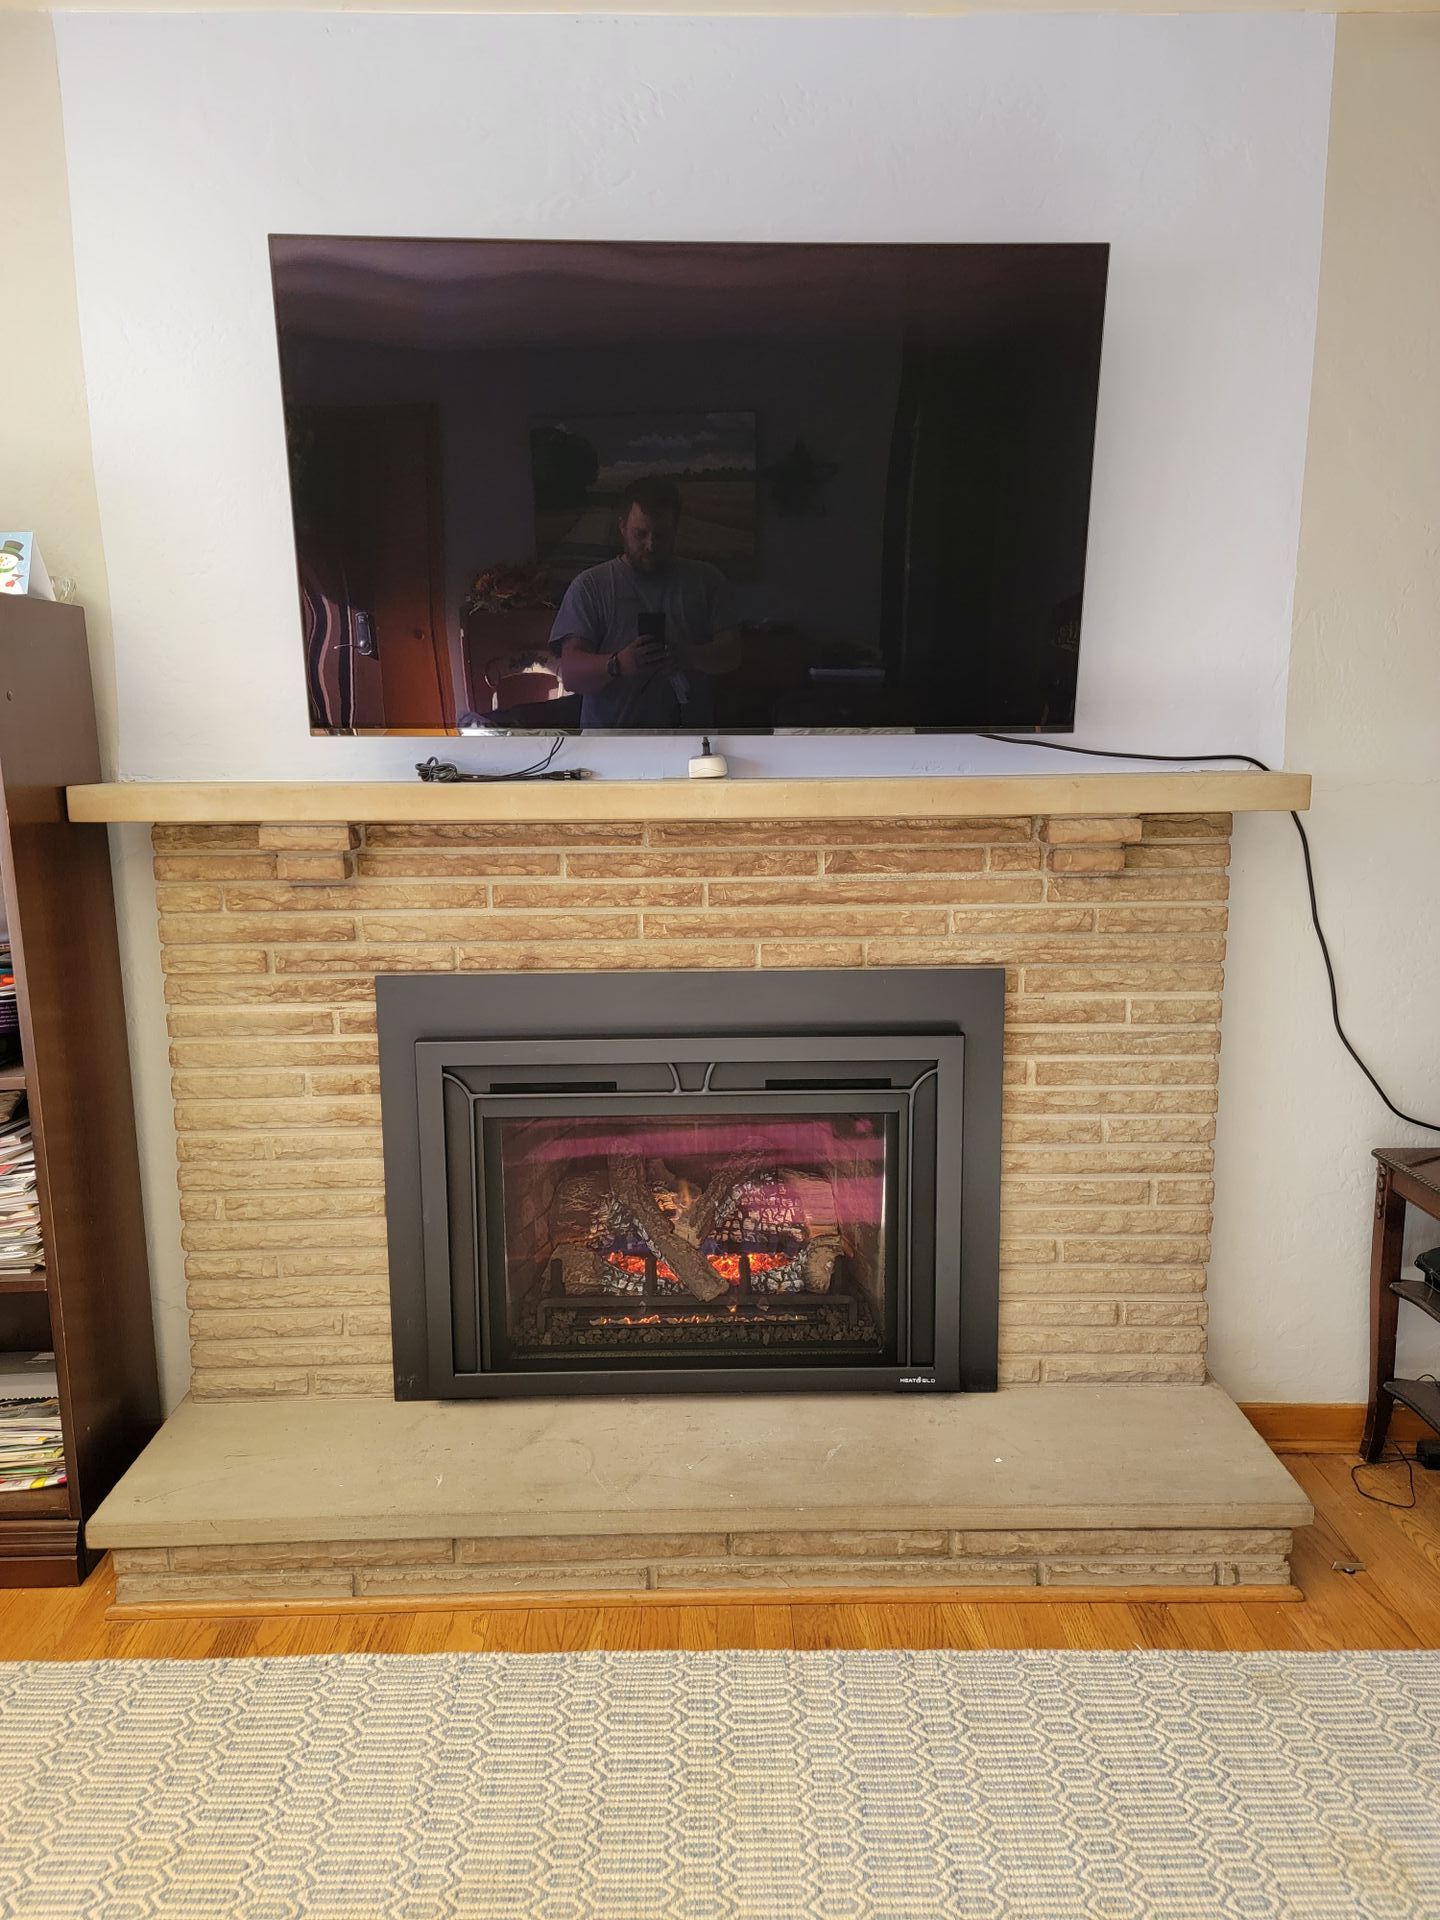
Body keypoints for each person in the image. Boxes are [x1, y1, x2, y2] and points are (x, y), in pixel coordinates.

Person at [548, 477, 741, 728]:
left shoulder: (707, 581)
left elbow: (732, 654)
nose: (651, 545)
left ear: (675, 530)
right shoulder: (590, 586)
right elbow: (571, 673)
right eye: (641, 534)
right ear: (622, 528)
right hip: (612, 747)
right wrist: (617, 664)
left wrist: (690, 656)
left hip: (692, 745)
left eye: (661, 535)